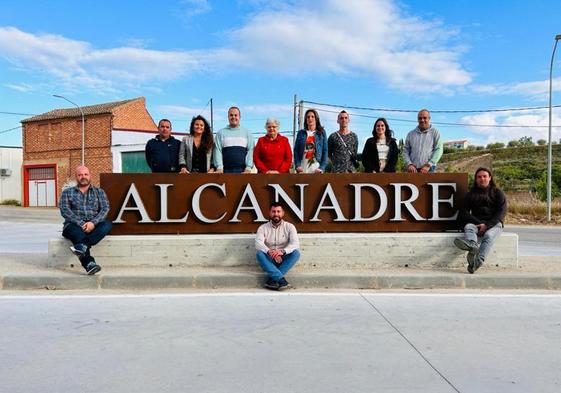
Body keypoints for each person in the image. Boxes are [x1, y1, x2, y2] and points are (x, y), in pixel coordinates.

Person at [59, 165, 112, 275]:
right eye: (80, 175)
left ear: (90, 176)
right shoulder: (67, 192)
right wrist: (82, 223)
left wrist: (93, 223)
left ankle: (83, 246)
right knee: (77, 234)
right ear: (76, 177)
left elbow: (105, 209)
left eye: (85, 174)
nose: (83, 177)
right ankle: (89, 264)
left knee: (107, 224)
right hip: (73, 225)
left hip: (94, 224)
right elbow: (65, 211)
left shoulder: (99, 192)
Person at [454, 167, 507, 274]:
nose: (482, 179)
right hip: (477, 223)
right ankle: (472, 245)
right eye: (479, 177)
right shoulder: (471, 194)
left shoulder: (498, 193)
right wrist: (479, 224)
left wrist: (487, 225)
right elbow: (463, 212)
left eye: (484, 176)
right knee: (468, 227)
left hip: (494, 224)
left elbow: (501, 212)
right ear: (476, 179)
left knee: (488, 236)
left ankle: (478, 261)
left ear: (490, 178)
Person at [255, 202, 300, 290]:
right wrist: (270, 252)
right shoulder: (263, 228)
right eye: (273, 211)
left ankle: (272, 280)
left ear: (283, 213)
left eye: (278, 211)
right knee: (259, 253)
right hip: (270, 259)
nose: (276, 214)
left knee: (296, 253)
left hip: (283, 258)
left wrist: (282, 252)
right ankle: (281, 281)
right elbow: (258, 243)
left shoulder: (290, 227)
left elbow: (295, 243)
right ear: (270, 213)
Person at [213, 107, 254, 173]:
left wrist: (248, 168)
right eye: (231, 115)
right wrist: (219, 167)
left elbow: (251, 150)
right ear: (228, 117)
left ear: (240, 117)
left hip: (243, 172)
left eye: (236, 115)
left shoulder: (247, 133)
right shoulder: (220, 133)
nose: (233, 117)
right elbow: (217, 151)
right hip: (224, 171)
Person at [403, 109, 443, 173]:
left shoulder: (435, 132)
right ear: (417, 119)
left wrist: (428, 165)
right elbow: (405, 150)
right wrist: (409, 164)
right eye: (420, 118)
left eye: (425, 118)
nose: (422, 120)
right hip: (413, 170)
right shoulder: (410, 134)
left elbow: (439, 149)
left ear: (429, 118)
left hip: (429, 169)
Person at [293, 109, 328, 173]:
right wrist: (297, 165)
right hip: (302, 167)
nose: (310, 118)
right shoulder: (301, 133)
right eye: (308, 117)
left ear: (316, 119)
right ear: (306, 120)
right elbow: (296, 150)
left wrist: (321, 168)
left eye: (312, 116)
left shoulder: (321, 132)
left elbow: (325, 151)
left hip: (316, 168)